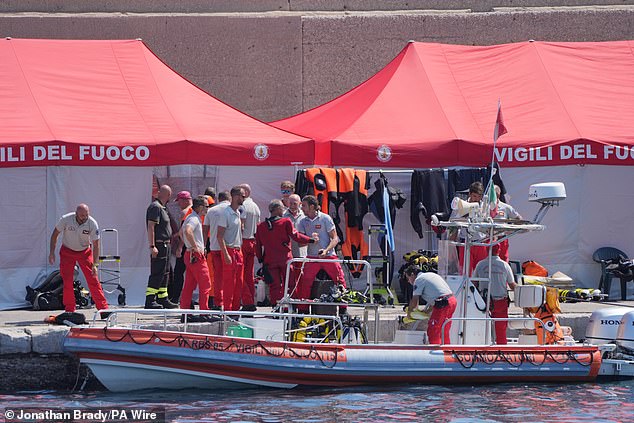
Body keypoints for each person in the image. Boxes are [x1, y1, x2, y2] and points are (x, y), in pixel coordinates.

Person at [48, 204, 109, 314]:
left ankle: (103, 309)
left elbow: (96, 244)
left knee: (93, 279)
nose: (84, 217)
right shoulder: (66, 219)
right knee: (67, 281)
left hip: (84, 252)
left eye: (86, 215)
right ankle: (70, 310)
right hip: (67, 251)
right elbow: (55, 234)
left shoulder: (92, 223)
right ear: (76, 214)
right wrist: (52, 252)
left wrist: (95, 265)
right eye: (82, 215)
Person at [255, 199, 316, 306]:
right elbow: (296, 236)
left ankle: (276, 308)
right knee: (291, 284)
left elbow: (258, 245)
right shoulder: (286, 222)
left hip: (270, 261)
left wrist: (260, 258)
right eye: (282, 208)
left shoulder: (261, 226)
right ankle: (292, 307)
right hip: (285, 260)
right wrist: (310, 239)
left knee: (274, 286)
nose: (283, 210)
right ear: (278, 209)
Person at [295, 195, 345, 304]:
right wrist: (309, 240)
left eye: (304, 206)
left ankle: (342, 309)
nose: (301, 208)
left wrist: (326, 250)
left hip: (329, 256)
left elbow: (335, 238)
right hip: (312, 257)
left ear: (312, 206)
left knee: (339, 280)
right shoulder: (302, 221)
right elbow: (300, 244)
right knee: (305, 283)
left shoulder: (325, 218)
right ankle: (303, 310)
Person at [473, 244, 517, 344]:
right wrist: (523, 290)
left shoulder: (480, 264)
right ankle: (502, 351)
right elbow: (512, 285)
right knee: (501, 330)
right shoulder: (505, 265)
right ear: (499, 250)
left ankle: (483, 349)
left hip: (484, 302)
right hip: (500, 302)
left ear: (486, 249)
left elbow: (474, 284)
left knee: (483, 328)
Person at [404, 266, 456, 345]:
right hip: (451, 301)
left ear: (412, 275)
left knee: (433, 330)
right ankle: (446, 351)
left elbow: (414, 300)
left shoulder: (419, 280)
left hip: (443, 304)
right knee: (444, 330)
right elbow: (437, 295)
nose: (408, 281)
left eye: (408, 278)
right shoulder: (430, 275)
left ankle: (435, 352)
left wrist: (409, 314)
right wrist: (426, 311)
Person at [145, 185, 178, 309]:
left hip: (166, 244)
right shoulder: (155, 207)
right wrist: (152, 246)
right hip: (159, 244)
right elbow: (151, 227)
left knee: (165, 273)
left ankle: (163, 298)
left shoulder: (163, 208)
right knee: (157, 272)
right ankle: (150, 300)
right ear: (168, 195)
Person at [180, 196, 212, 314]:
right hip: (195, 255)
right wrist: (195, 247)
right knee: (205, 283)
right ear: (200, 207)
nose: (207, 209)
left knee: (189, 284)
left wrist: (189, 246)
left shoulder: (189, 217)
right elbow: (188, 231)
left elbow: (181, 233)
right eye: (206, 206)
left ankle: (184, 311)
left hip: (189, 254)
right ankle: (204, 311)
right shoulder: (194, 219)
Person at [217, 186, 245, 311]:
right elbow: (219, 236)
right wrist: (225, 254)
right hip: (229, 249)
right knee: (229, 283)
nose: (244, 198)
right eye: (242, 196)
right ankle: (228, 310)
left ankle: (235, 309)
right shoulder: (226, 213)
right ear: (235, 196)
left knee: (239, 282)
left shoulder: (237, 212)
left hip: (238, 250)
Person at [238, 183, 260, 312]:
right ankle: (251, 300)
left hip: (243, 241)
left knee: (240, 274)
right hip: (253, 241)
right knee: (249, 275)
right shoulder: (255, 207)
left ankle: (247, 301)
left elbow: (241, 225)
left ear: (245, 192)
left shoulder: (243, 207)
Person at [168, 190, 193, 303]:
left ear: (185, 200)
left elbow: (185, 231)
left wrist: (179, 247)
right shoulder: (197, 211)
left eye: (179, 202)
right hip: (196, 246)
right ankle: (189, 299)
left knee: (178, 272)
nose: (178, 204)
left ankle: (176, 297)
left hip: (186, 246)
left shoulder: (185, 212)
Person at [207, 191, 230, 309]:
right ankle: (228, 304)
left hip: (214, 247)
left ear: (218, 199)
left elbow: (204, 230)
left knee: (217, 277)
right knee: (230, 277)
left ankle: (218, 303)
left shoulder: (211, 211)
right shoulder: (231, 210)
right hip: (229, 248)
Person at [492, 185, 523, 262]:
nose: (490, 196)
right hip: (487, 238)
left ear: (498, 195)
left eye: (493, 194)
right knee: (487, 261)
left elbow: (519, 219)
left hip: (502, 238)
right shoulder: (484, 206)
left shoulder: (506, 207)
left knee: (503, 261)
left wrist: (510, 229)